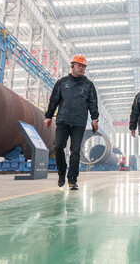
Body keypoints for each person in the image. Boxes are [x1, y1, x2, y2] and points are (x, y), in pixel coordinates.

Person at [45, 55, 99, 190]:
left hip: (79, 122)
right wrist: (49, 116)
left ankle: (72, 179)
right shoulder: (62, 83)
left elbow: (93, 103)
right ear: (72, 66)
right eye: (79, 65)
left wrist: (94, 119)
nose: (82, 68)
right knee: (58, 147)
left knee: (75, 151)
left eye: (84, 66)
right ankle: (62, 172)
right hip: (63, 120)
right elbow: (54, 100)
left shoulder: (88, 85)